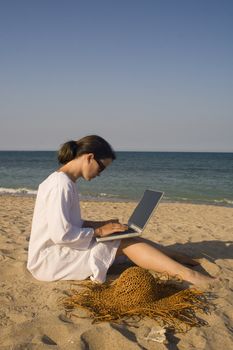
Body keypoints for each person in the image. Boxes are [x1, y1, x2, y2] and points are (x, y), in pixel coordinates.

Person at [27, 135, 215, 287]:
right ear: (89, 157)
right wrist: (99, 232)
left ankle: (173, 256)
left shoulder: (66, 182)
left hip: (60, 250)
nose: (99, 174)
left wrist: (102, 224)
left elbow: (70, 223)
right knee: (122, 242)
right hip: (50, 261)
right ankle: (189, 275)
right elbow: (61, 234)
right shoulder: (61, 185)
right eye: (101, 168)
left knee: (123, 234)